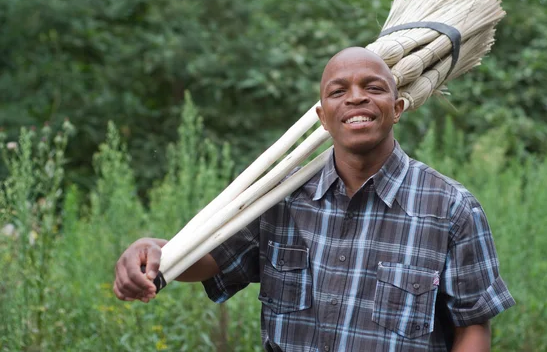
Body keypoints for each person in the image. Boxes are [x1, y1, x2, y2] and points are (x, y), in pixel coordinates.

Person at [114, 47, 515, 351]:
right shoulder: (278, 199)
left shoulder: (450, 208)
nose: (356, 98)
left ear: (397, 109)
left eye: (372, 88)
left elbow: (472, 325)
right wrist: (152, 252)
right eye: (339, 91)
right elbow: (206, 260)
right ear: (323, 118)